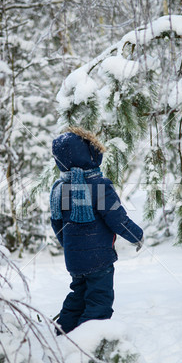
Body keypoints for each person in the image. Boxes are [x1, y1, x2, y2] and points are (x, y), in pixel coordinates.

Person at [50, 126, 144, 335]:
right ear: (91, 154)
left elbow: (56, 224)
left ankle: (61, 334)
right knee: (99, 303)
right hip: (99, 258)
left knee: (77, 297)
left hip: (74, 259)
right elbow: (117, 219)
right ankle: (88, 344)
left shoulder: (60, 188)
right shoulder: (99, 186)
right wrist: (137, 235)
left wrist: (71, 247)